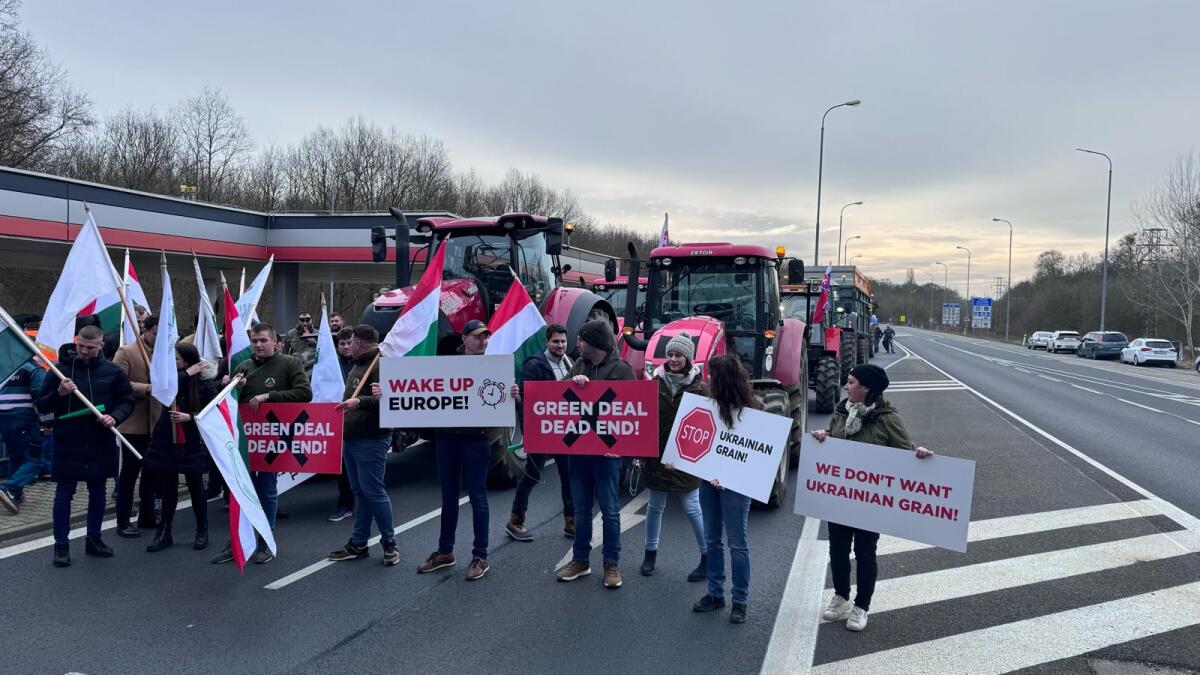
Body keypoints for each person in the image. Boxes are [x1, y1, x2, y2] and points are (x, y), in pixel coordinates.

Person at [811, 363, 933, 632]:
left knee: (865, 553)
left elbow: (903, 455)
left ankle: (861, 606)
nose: (846, 386)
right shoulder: (842, 410)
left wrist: (918, 455)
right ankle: (841, 596)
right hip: (842, 498)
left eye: (852, 382)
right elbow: (834, 437)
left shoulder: (889, 418)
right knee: (838, 550)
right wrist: (824, 436)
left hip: (871, 502)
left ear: (867, 388)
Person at [211, 323, 312, 565]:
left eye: (263, 340)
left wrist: (269, 397)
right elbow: (232, 402)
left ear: (275, 342)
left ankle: (266, 540)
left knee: (266, 489)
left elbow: (304, 393)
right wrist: (229, 386)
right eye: (254, 340)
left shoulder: (290, 363)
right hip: (246, 438)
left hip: (272, 437)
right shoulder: (243, 366)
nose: (258, 345)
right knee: (242, 490)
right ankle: (237, 540)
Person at [36, 325, 135, 567]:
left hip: (100, 440)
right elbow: (42, 406)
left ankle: (94, 539)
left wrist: (116, 417)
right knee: (64, 495)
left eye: (90, 347)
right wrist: (59, 393)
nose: (84, 351)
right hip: (68, 441)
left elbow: (127, 400)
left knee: (98, 493)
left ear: (101, 345)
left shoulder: (112, 371)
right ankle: (61, 545)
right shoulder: (59, 372)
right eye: (80, 345)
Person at [555, 319, 635, 590]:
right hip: (578, 453)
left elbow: (634, 413)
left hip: (607, 456)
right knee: (580, 510)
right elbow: (557, 398)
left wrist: (624, 450)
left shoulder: (622, 370)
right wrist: (572, 383)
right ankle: (580, 560)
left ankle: (611, 564)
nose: (577, 344)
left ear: (596, 343)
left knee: (611, 511)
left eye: (582, 339)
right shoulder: (578, 365)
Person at [416, 319, 497, 581]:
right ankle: (445, 551)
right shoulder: (445, 366)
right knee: (448, 496)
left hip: (476, 439)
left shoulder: (494, 367)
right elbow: (417, 392)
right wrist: (388, 394)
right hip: (447, 440)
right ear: (464, 339)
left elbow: (502, 400)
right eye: (477, 337)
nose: (482, 341)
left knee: (477, 497)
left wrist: (512, 394)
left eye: (485, 337)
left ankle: (480, 555)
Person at [691, 355, 759, 624]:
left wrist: (729, 476)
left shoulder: (754, 414)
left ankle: (740, 600)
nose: (707, 380)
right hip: (708, 482)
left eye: (711, 376)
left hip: (736, 488)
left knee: (737, 542)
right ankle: (715, 593)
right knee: (712, 539)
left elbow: (757, 457)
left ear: (722, 381)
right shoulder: (707, 407)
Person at [326, 325, 398, 566]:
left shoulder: (381, 365)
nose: (349, 345)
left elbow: (389, 399)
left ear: (358, 343)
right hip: (352, 437)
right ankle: (359, 542)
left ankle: (390, 543)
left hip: (371, 439)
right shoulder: (359, 365)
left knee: (375, 492)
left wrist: (360, 401)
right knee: (360, 492)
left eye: (352, 341)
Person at [640, 332, 707, 580]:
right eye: (670, 354)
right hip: (657, 455)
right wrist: (639, 452)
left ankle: (706, 555)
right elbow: (643, 418)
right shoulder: (654, 383)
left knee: (692, 507)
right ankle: (650, 552)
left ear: (688, 357)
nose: (673, 359)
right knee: (655, 506)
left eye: (678, 354)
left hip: (687, 458)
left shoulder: (701, 388)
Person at [504, 323, 575, 542]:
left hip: (565, 429)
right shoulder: (534, 365)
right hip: (542, 430)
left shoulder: (570, 363)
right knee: (533, 474)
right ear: (547, 342)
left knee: (568, 476)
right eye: (555, 341)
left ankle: (570, 522)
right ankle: (515, 520)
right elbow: (526, 399)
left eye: (563, 341)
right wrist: (529, 428)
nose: (560, 345)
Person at [143, 343, 216, 552]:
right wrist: (185, 373)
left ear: (187, 361)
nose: (172, 363)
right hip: (167, 439)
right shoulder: (174, 380)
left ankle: (202, 530)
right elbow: (162, 390)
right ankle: (164, 531)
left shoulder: (204, 384)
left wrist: (190, 417)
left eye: (176, 360)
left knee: (195, 486)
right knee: (168, 488)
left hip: (191, 441)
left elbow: (212, 412)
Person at [112, 315, 162, 537]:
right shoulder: (127, 352)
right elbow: (118, 383)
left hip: (157, 422)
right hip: (134, 423)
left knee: (152, 473)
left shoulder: (166, 354)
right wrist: (147, 388)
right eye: (155, 334)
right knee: (129, 474)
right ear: (146, 330)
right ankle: (123, 520)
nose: (158, 338)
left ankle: (147, 515)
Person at [0, 360, 47, 514]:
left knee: (16, 457)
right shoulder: (33, 367)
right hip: (23, 417)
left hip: (3, 417)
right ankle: (8, 488)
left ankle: (16, 494)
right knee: (36, 460)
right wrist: (46, 421)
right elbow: (41, 396)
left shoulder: (4, 364)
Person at [327, 327, 357, 523]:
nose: (346, 347)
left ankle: (365, 503)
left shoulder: (368, 363)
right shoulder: (331, 365)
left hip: (362, 421)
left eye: (349, 343)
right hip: (340, 422)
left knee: (361, 467)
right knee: (343, 467)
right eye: (342, 344)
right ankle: (345, 503)